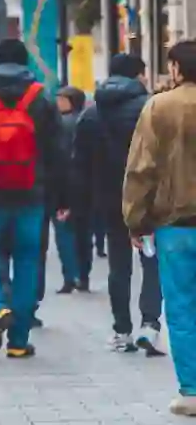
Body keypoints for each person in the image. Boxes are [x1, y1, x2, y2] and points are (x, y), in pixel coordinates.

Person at [0, 38, 68, 360]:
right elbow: (58, 151)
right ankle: (18, 340)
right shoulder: (40, 98)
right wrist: (61, 196)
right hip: (31, 194)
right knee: (28, 260)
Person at [123, 40, 196, 416]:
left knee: (182, 307)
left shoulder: (159, 107)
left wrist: (136, 219)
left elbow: (141, 169)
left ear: (177, 68)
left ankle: (192, 390)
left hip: (175, 224)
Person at [78, 52, 163, 354]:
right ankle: (150, 325)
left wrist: (85, 201)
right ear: (138, 75)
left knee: (118, 264)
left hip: (109, 199)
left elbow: (81, 163)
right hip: (147, 198)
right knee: (151, 259)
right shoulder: (149, 108)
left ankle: (121, 329)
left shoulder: (90, 114)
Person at [54, 86, 92, 295]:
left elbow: (59, 160)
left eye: (62, 99)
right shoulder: (86, 121)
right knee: (83, 233)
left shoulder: (62, 125)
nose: (58, 102)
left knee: (65, 233)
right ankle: (83, 275)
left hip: (66, 185)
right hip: (85, 185)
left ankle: (71, 276)